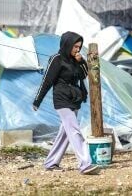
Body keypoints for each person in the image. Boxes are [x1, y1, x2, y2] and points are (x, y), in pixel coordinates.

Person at [32, 31, 100, 175]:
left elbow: (83, 75)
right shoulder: (56, 59)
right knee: (74, 130)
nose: (77, 49)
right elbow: (47, 81)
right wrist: (37, 100)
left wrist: (81, 61)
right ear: (67, 44)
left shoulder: (75, 59)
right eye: (75, 46)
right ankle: (85, 163)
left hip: (74, 98)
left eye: (79, 47)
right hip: (61, 99)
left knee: (65, 133)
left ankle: (51, 162)